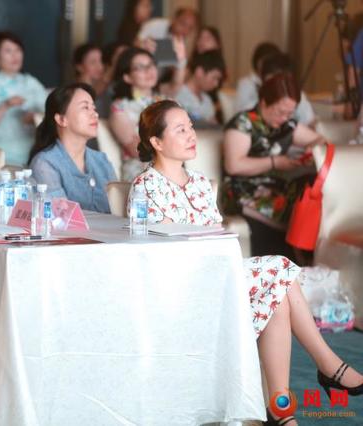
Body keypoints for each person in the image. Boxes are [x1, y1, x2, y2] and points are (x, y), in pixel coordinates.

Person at [129, 99, 363, 426]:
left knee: (278, 299)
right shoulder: (145, 187)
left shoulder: (199, 183)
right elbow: (152, 249)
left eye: (191, 127)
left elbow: (217, 236)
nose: (191, 135)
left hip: (217, 274)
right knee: (281, 269)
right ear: (156, 141)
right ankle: (327, 365)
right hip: (183, 286)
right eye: (180, 130)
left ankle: (280, 411)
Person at [223, 73, 326, 257]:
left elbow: (321, 141)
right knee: (292, 204)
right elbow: (234, 165)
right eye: (280, 112)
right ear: (264, 103)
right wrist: (275, 162)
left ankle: (308, 256)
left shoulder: (287, 125)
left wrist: (312, 150)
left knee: (313, 188)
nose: (285, 118)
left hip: (275, 186)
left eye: (290, 113)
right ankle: (294, 255)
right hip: (244, 189)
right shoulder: (243, 123)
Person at [29, 83, 115, 213]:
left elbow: (119, 211)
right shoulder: (45, 164)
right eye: (85, 107)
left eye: (94, 108)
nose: (95, 114)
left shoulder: (102, 160)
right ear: (61, 119)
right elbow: (60, 217)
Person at [0, 31, 47, 166]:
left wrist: (35, 117)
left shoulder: (31, 82)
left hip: (35, 155)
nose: (15, 55)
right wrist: (5, 106)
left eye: (18, 50)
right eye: (8, 51)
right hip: (2, 158)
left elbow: (52, 111)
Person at [109, 47, 163, 181]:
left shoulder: (166, 101)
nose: (148, 70)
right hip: (141, 173)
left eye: (150, 65)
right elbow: (139, 151)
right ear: (127, 77)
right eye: (140, 67)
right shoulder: (120, 108)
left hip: (171, 169)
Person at [175, 50, 225, 126]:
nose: (216, 84)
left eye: (218, 79)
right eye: (214, 78)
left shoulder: (207, 100)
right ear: (199, 72)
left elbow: (214, 126)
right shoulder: (178, 94)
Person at [234, 41, 281, 114]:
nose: (267, 65)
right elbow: (240, 110)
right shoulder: (246, 83)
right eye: (264, 61)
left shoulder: (282, 83)